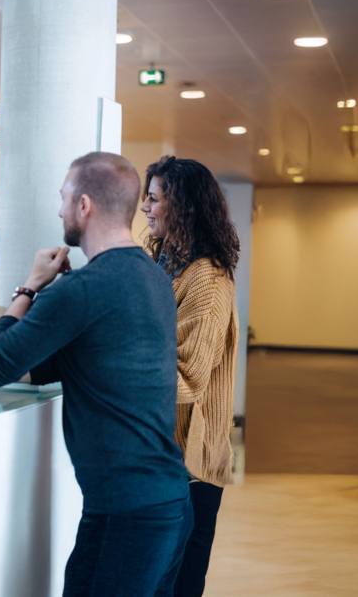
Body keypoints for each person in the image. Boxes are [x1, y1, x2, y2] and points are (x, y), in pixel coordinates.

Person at [0, 152, 192, 597]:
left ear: (84, 205)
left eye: (64, 197)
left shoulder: (81, 289)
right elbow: (58, 362)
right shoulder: (152, 276)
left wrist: (29, 287)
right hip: (161, 502)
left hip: (129, 512)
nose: (59, 209)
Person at [139, 156, 240, 597]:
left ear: (182, 207)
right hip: (162, 452)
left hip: (191, 461)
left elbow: (189, 377)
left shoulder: (208, 278)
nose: (144, 205)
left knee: (179, 581)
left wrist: (117, 370)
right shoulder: (160, 257)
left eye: (154, 197)